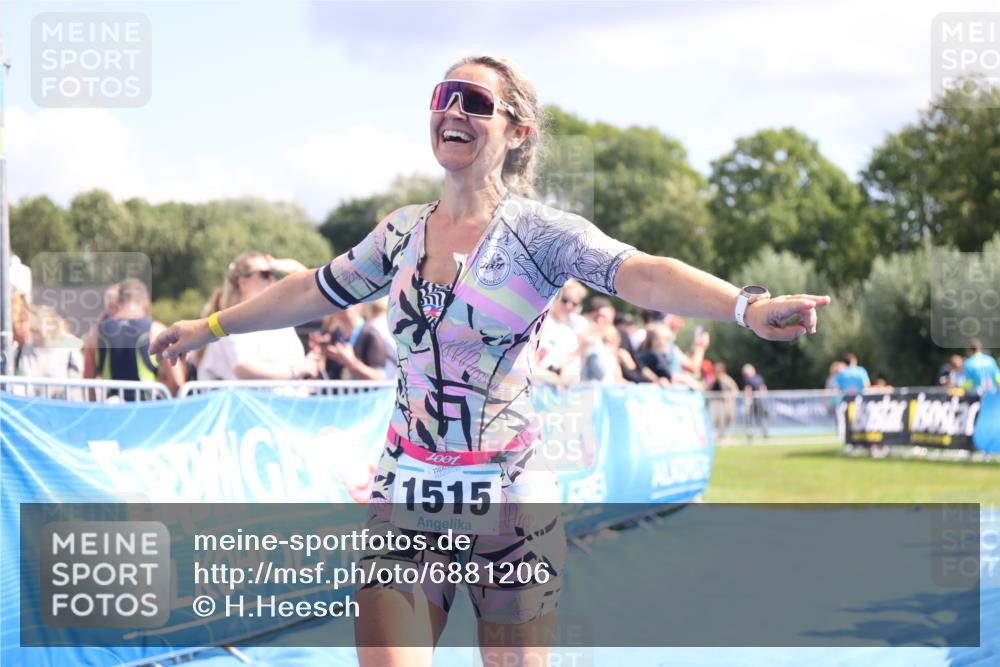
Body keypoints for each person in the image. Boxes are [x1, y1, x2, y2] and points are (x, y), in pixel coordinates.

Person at [150, 55, 829, 666]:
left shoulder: (541, 234)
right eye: (444, 96)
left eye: (475, 102)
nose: (453, 111)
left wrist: (746, 308)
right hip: (408, 488)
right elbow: (309, 289)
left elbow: (645, 275)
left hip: (510, 493)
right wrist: (207, 326)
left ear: (518, 130)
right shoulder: (399, 232)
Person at [196, 252, 323, 383]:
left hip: (283, 401)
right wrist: (297, 371)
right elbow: (243, 369)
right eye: (265, 274)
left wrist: (285, 265)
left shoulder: (279, 318)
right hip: (246, 402)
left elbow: (314, 288)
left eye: (273, 274)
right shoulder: (232, 321)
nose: (271, 279)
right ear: (243, 282)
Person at [83, 279, 182, 401]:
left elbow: (88, 382)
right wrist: (161, 405)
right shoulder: (156, 330)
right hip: (147, 411)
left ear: (118, 302)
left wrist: (96, 413)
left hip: (111, 411)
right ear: (146, 303)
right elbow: (177, 382)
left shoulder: (96, 332)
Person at [318, 305, 389, 381]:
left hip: (365, 392)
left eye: (349, 301)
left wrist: (352, 363)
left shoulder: (370, 335)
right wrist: (320, 356)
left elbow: (380, 378)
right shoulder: (332, 336)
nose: (344, 306)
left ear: (360, 306)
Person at [708, 361, 740, 444]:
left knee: (723, 421)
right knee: (713, 421)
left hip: (723, 404)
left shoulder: (726, 379)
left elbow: (735, 390)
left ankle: (724, 438)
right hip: (714, 403)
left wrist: (728, 396)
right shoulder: (712, 379)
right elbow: (707, 389)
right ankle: (715, 438)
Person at [742, 363, 769, 442]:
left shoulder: (756, 378)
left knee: (760, 418)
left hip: (758, 401)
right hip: (755, 401)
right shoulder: (752, 379)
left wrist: (764, 396)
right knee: (751, 419)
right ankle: (751, 436)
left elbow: (762, 388)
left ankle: (765, 435)